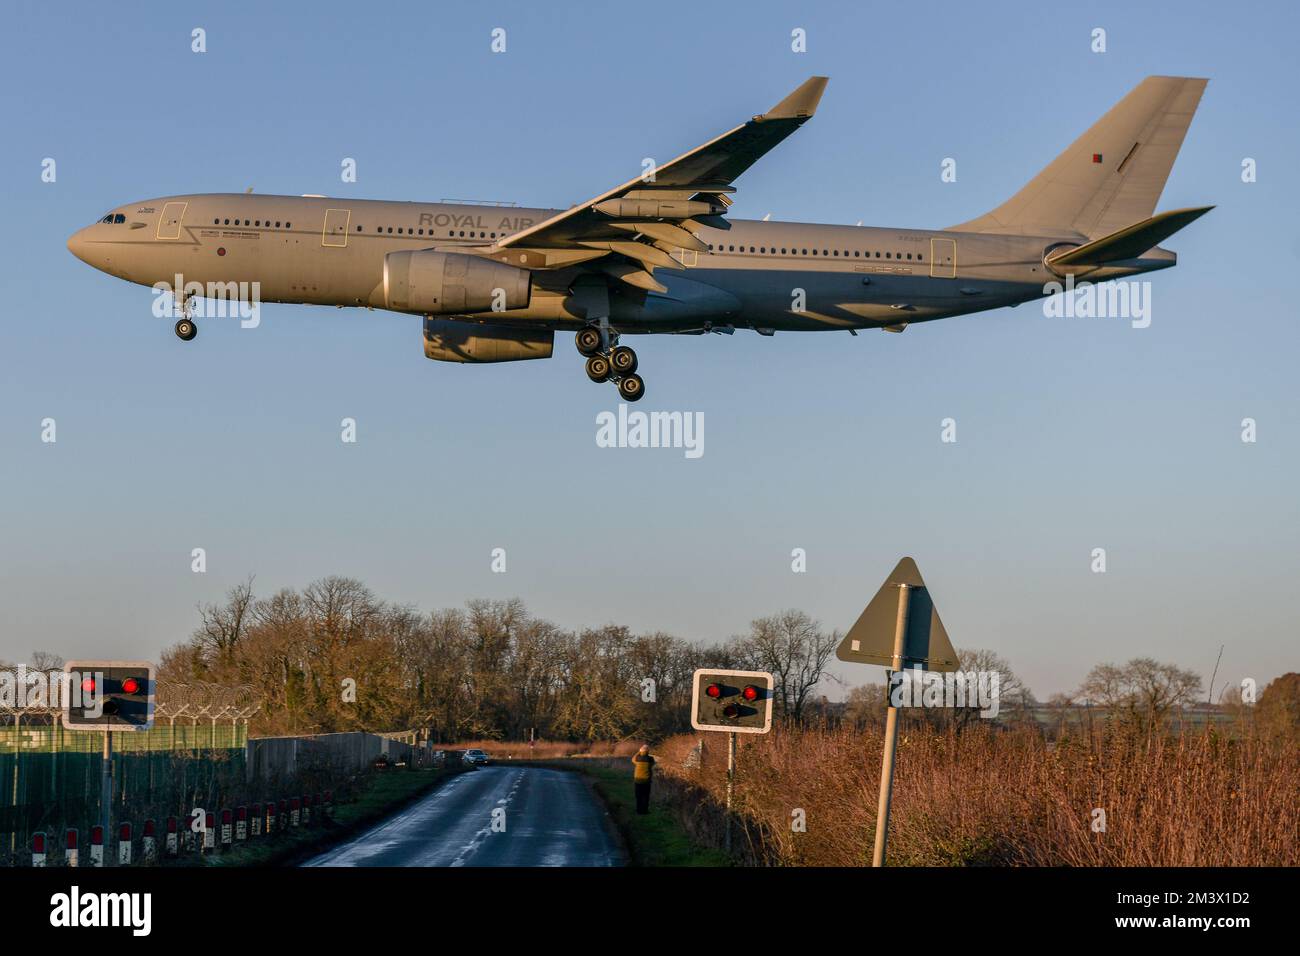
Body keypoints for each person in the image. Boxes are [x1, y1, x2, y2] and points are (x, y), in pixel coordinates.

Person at [632, 744, 655, 814]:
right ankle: (645, 811)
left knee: (638, 796)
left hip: (638, 780)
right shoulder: (651, 759)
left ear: (641, 751)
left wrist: (639, 752)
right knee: (646, 796)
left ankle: (638, 810)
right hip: (646, 781)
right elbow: (653, 764)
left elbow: (632, 759)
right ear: (648, 751)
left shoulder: (637, 758)